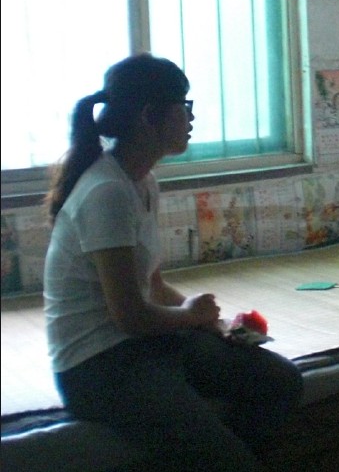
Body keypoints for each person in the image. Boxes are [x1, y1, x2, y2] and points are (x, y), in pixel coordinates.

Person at [43, 54, 302, 472]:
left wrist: (212, 323)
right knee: (224, 459)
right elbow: (131, 316)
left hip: (144, 346)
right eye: (185, 106)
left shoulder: (142, 181)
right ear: (150, 116)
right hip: (98, 368)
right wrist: (190, 315)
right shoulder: (106, 192)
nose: (192, 118)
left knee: (281, 381)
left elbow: (155, 286)